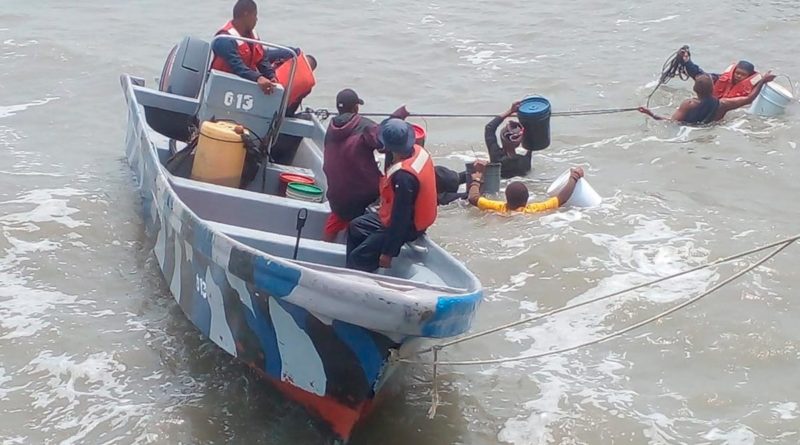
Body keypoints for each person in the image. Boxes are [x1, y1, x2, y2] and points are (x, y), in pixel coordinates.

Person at [346, 119, 437, 272]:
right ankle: (355, 270)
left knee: (358, 257)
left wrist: (388, 252)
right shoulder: (418, 152)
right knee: (356, 227)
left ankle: (358, 278)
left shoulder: (403, 177)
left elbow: (401, 218)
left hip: (409, 226)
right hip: (395, 216)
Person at [322, 90, 409, 241]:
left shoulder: (331, 128)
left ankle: (324, 245)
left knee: (338, 216)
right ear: (356, 108)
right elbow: (386, 141)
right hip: (362, 195)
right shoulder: (364, 126)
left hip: (336, 195)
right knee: (386, 203)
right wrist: (396, 118)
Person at [638, 72, 776, 124]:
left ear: (695, 90)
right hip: (711, 130)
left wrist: (650, 113)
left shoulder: (688, 104)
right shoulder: (723, 104)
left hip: (690, 131)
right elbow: (749, 99)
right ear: (713, 89)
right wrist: (762, 81)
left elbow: (672, 122)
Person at [468, 162, 583, 214]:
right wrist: (574, 176)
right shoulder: (534, 209)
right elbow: (562, 199)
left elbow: (473, 198)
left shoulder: (498, 208)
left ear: (506, 198)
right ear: (527, 198)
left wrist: (477, 179)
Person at [680, 49, 763, 99]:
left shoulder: (753, 88)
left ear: (749, 76)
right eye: (737, 73)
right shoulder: (719, 79)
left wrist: (764, 80)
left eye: (743, 75)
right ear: (734, 71)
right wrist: (687, 61)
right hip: (712, 106)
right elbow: (699, 74)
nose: (738, 76)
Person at [485, 101, 532, 179]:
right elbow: (532, 141)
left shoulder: (497, 158)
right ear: (519, 142)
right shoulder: (525, 161)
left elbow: (489, 128)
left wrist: (510, 111)